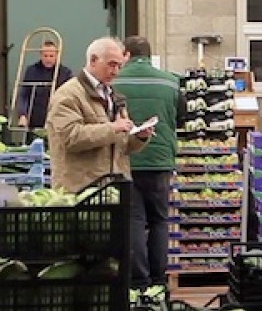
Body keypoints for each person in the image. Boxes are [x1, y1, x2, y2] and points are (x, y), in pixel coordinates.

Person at [113, 35, 184, 289]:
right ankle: (158, 280)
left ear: (126, 55)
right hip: (160, 160)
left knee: (134, 220)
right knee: (159, 220)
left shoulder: (114, 81)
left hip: (127, 160)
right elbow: (181, 118)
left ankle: (139, 281)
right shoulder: (171, 81)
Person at [45, 36, 154, 193]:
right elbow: (70, 137)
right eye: (111, 64)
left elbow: (121, 146)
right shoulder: (68, 95)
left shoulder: (113, 95)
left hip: (113, 190)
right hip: (80, 192)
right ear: (93, 60)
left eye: (119, 66)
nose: (116, 71)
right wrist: (113, 128)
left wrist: (139, 136)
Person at [18, 40, 73, 128]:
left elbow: (71, 98)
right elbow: (24, 94)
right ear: (40, 55)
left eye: (51, 56)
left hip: (57, 120)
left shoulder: (65, 73)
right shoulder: (31, 71)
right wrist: (23, 114)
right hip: (35, 119)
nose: (48, 59)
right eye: (45, 56)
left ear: (57, 56)